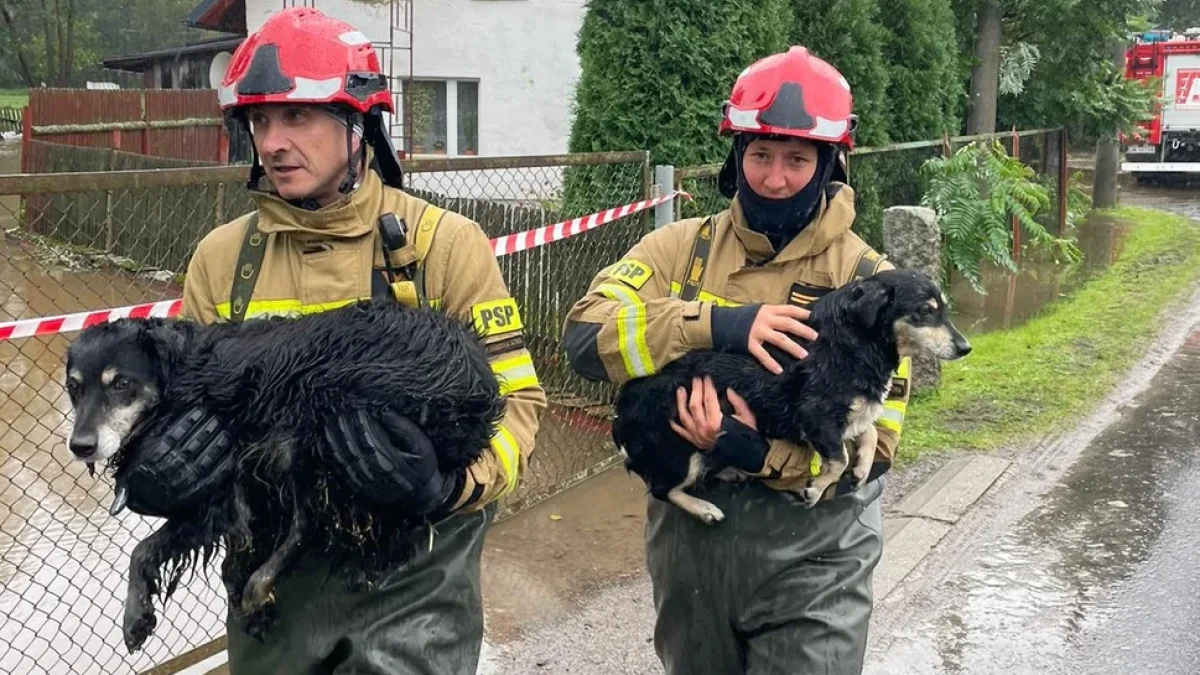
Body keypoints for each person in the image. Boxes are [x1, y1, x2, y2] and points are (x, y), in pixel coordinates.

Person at [113, 7, 546, 673]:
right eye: (259, 120)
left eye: (298, 117)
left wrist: (449, 485)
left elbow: (519, 405)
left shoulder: (442, 245)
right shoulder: (220, 260)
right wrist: (155, 474)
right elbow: (196, 419)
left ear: (358, 123)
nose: (274, 141)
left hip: (414, 589)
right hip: (272, 600)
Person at [563, 46, 911, 674]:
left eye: (797, 160)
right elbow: (585, 338)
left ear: (831, 163)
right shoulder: (677, 249)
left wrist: (747, 450)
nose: (774, 179)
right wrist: (718, 324)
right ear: (735, 157)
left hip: (818, 555)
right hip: (691, 556)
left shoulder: (871, 283)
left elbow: (878, 446)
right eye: (759, 156)